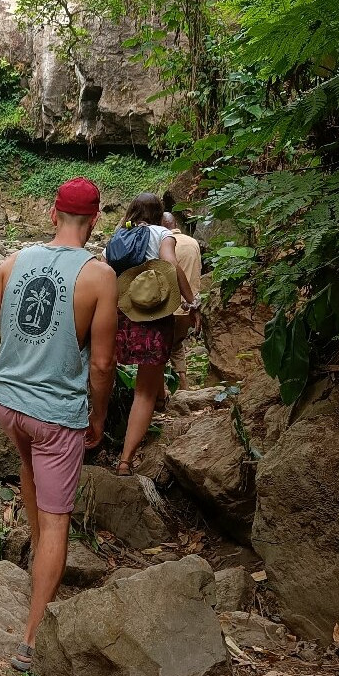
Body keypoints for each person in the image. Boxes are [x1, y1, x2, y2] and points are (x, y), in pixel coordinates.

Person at [0, 177, 118, 672]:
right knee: (58, 519)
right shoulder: (100, 277)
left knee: (31, 472)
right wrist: (96, 417)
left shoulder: (13, 261)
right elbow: (100, 366)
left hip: (5, 403)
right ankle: (33, 639)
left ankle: (37, 561)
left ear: (54, 213)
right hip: (54, 414)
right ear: (94, 220)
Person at [112, 194, 199, 476]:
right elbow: (172, 266)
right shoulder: (162, 233)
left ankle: (96, 433)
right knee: (145, 391)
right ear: (160, 215)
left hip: (121, 313)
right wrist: (191, 302)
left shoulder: (118, 236)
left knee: (103, 372)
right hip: (153, 316)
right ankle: (125, 460)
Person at [161, 212, 202, 390]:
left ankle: (160, 391)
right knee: (176, 344)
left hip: (167, 306)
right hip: (188, 307)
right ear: (175, 223)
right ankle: (183, 386)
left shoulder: (163, 245)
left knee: (160, 347)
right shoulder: (193, 243)